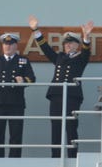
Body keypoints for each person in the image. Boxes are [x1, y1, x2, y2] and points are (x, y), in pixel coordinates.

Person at [28, 15, 94, 158]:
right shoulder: (59, 57)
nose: (67, 45)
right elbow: (45, 48)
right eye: (66, 43)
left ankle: (72, 156)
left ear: (77, 44)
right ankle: (55, 157)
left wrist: (86, 37)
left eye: (71, 43)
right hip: (56, 95)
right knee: (56, 128)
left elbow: (87, 50)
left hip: (72, 96)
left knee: (71, 128)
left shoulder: (81, 58)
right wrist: (36, 30)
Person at [0, 33, 36, 158]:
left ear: (16, 46)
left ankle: (15, 160)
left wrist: (23, 81)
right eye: (6, 44)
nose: (8, 47)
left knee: (16, 134)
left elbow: (32, 79)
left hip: (16, 103)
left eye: (11, 45)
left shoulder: (23, 61)